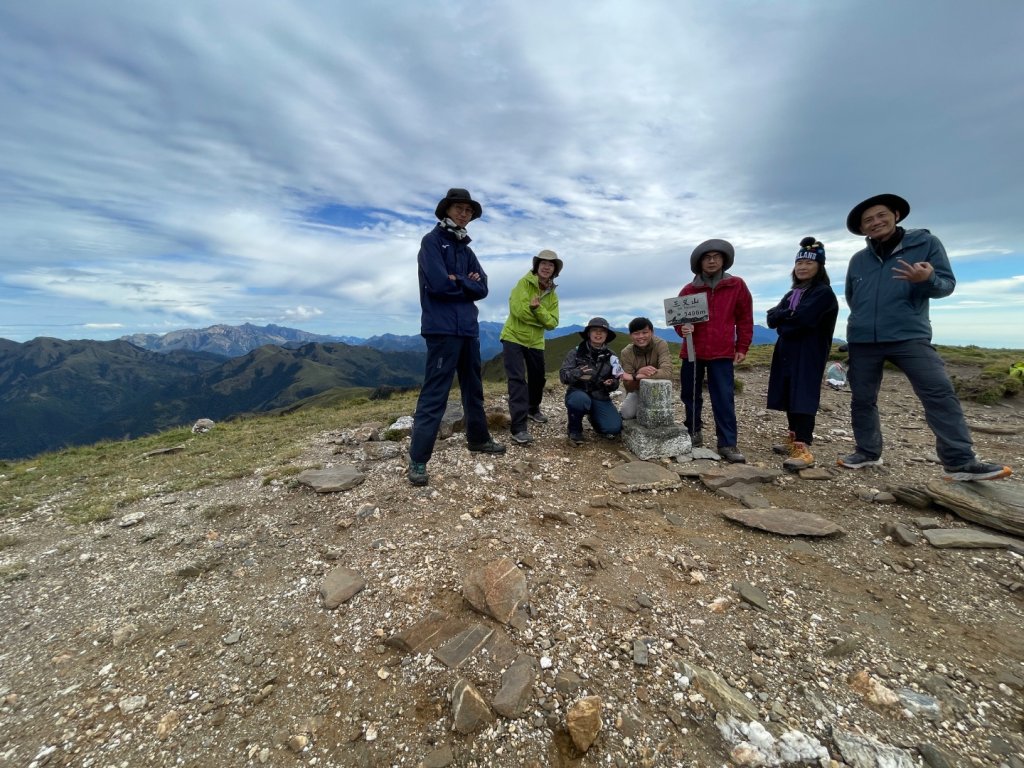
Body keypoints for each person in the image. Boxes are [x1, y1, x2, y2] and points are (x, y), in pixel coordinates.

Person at [840, 193, 1011, 481]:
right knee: (862, 399)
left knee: (938, 392)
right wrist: (860, 323)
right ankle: (867, 452)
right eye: (868, 220)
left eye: (881, 215)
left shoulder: (925, 244)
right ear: (863, 228)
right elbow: (852, 296)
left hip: (910, 336)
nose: (875, 222)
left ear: (896, 214)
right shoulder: (859, 260)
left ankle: (959, 462)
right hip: (863, 341)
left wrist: (927, 280)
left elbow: (946, 285)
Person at [407, 188, 506, 486]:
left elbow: (484, 288)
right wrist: (466, 283)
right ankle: (418, 460)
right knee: (435, 394)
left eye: (469, 211)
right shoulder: (432, 242)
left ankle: (478, 439)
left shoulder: (466, 249)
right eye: (459, 208)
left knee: (473, 388)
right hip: (442, 329)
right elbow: (437, 285)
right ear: (447, 210)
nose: (464, 214)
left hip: (467, 329)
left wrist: (458, 280)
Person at [673, 239, 753, 463]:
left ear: (724, 260)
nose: (711, 261)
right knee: (690, 395)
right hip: (692, 351)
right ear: (699, 263)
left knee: (724, 398)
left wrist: (742, 346)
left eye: (716, 257)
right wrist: (683, 329)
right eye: (706, 258)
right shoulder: (689, 290)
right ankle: (692, 433)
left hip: (722, 352)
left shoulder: (736, 285)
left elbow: (745, 318)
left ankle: (727, 443)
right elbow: (678, 321)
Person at [765, 237, 839, 470]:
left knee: (803, 395)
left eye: (808, 263)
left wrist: (783, 319)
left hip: (809, 352)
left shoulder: (823, 293)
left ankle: (803, 446)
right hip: (788, 351)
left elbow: (802, 321)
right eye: (799, 263)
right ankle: (793, 438)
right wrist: (786, 316)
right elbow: (770, 318)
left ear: (819, 267)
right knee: (789, 393)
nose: (803, 267)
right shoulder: (793, 294)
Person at [499, 249, 562, 444]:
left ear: (554, 270)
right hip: (513, 337)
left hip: (535, 342)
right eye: (543, 263)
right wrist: (540, 318)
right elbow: (518, 312)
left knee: (538, 378)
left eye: (550, 265)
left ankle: (533, 408)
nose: (546, 267)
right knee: (517, 380)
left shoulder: (552, 295)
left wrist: (537, 309)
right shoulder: (523, 284)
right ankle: (518, 427)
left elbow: (553, 323)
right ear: (536, 266)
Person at [559, 317, 623, 445]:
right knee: (579, 401)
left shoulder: (612, 356)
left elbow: (616, 380)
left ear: (607, 335)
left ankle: (595, 419)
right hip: (578, 392)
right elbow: (563, 376)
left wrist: (611, 384)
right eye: (595, 330)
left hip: (600, 395)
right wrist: (577, 373)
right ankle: (574, 430)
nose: (598, 334)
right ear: (589, 333)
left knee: (613, 428)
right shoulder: (575, 353)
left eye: (602, 331)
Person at [618, 316, 674, 420]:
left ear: (652, 332)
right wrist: (639, 372)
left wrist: (637, 375)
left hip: (658, 388)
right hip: (637, 390)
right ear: (630, 335)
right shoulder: (626, 352)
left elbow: (667, 372)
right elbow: (628, 386)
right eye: (636, 333)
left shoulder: (661, 344)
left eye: (645, 332)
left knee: (657, 417)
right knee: (626, 414)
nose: (641, 336)